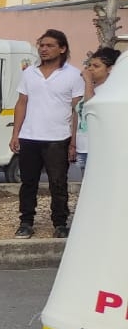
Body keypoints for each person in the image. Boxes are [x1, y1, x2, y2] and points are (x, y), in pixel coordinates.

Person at [11, 29, 86, 238]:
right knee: (28, 182)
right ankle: (26, 222)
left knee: (58, 183)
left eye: (49, 45)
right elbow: (21, 103)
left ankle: (60, 223)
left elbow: (76, 110)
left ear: (62, 48)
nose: (44, 49)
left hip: (58, 138)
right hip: (30, 136)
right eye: (41, 45)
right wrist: (15, 133)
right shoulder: (29, 73)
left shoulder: (73, 75)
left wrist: (73, 141)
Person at [78, 48, 118, 173]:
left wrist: (88, 82)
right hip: (83, 147)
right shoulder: (89, 88)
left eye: (96, 66)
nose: (90, 69)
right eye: (89, 65)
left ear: (110, 69)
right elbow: (78, 115)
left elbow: (92, 108)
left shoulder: (111, 90)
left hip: (100, 149)